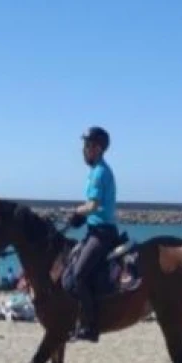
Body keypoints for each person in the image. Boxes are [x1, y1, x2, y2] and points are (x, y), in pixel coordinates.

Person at [66, 126, 118, 343]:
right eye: (84, 146)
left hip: (102, 233)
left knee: (78, 275)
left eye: (87, 146)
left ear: (97, 148)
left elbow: (94, 205)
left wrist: (77, 212)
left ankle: (91, 325)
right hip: (94, 230)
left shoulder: (99, 172)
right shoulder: (96, 170)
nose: (83, 150)